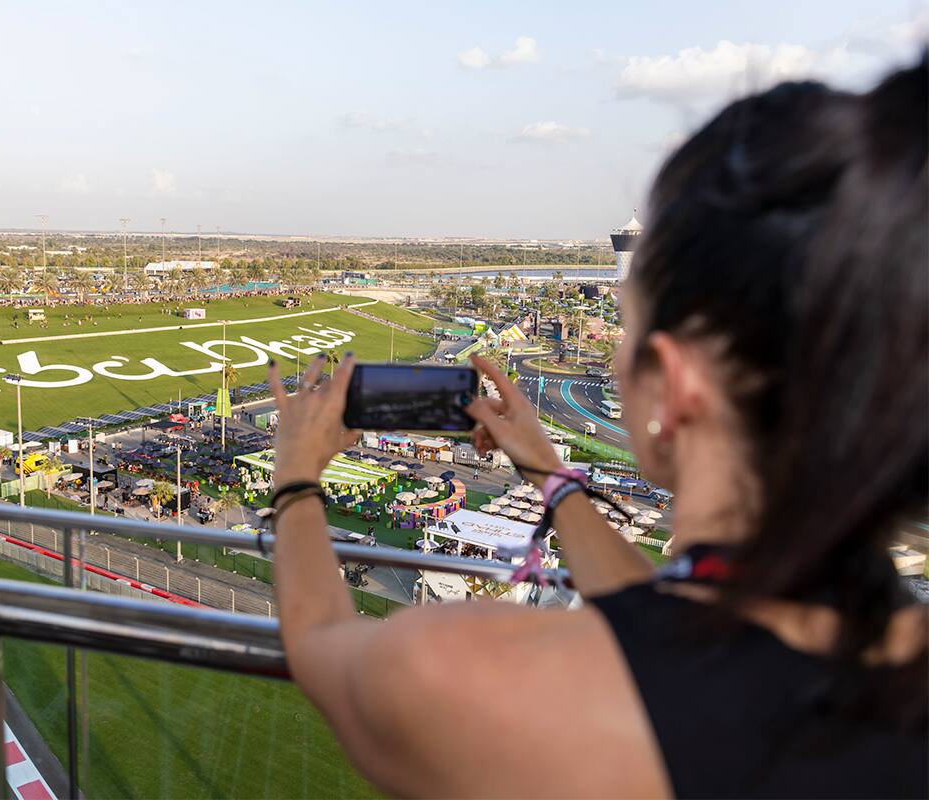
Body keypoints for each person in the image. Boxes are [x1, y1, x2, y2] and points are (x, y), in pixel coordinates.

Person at [262, 59, 926, 799]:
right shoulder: (887, 644)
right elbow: (668, 624)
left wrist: (296, 476)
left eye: (628, 332)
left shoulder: (475, 675)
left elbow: (320, 646)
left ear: (674, 386)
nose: (613, 359)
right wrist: (550, 475)